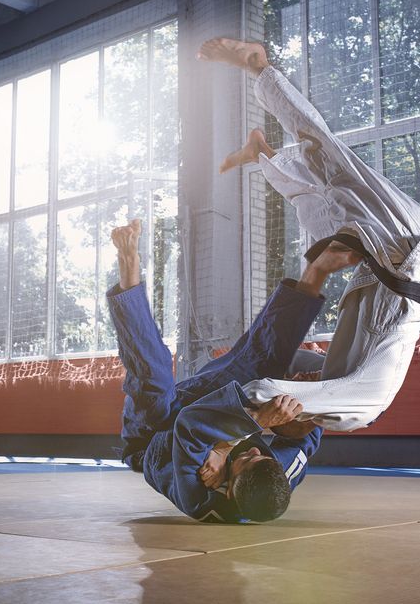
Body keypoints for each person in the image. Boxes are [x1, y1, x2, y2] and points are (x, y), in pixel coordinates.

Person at [199, 37, 420, 432]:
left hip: (381, 256)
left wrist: (249, 358)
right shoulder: (356, 409)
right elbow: (262, 388)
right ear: (295, 416)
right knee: (326, 154)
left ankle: (262, 154)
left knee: (314, 207)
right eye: (294, 399)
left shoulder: (332, 381)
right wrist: (253, 422)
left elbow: (293, 361)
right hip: (407, 245)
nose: (298, 384)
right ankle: (258, 66)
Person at [108, 218, 361, 523]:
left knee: (155, 379)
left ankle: (128, 270)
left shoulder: (201, 498)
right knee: (260, 363)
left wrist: (246, 430)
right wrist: (310, 406)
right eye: (259, 454)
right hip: (210, 409)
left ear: (228, 491)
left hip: (154, 435)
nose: (252, 452)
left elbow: (187, 426)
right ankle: (318, 268)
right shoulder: (279, 472)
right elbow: (306, 433)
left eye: (245, 461)